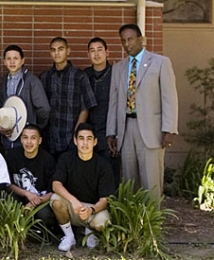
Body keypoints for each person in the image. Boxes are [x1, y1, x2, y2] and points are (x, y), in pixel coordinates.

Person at [106, 24, 178, 200]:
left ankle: (152, 226)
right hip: (126, 128)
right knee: (129, 180)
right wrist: (111, 132)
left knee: (151, 181)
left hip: (151, 129)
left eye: (130, 39)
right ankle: (134, 225)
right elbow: (114, 103)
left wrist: (169, 129)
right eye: (123, 41)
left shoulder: (160, 62)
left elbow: (169, 98)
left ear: (141, 40)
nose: (127, 44)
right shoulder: (118, 68)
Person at [51, 123, 116, 252]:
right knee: (56, 199)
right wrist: (73, 201)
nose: (85, 143)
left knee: (102, 222)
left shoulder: (103, 165)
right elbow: (56, 184)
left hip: (93, 209)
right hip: (73, 208)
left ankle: (90, 232)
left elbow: (105, 199)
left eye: (89, 139)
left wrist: (91, 210)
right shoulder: (66, 159)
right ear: (75, 141)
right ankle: (69, 236)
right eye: (81, 138)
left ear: (95, 142)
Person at [41, 37, 97, 160]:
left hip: (69, 137)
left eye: (60, 49)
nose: (57, 53)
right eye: (53, 50)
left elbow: (85, 108)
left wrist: (76, 134)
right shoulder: (45, 77)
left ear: (68, 51)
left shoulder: (79, 76)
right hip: (49, 139)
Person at [0, 45, 50, 149]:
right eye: (8, 59)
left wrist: (34, 126)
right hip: (8, 139)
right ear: (4, 62)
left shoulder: (32, 81)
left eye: (15, 58)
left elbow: (44, 109)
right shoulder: (3, 82)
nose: (12, 62)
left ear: (22, 61)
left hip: (26, 141)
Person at [5, 124, 57, 232]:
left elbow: (53, 191)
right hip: (20, 196)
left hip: (41, 200)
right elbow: (8, 184)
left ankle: (41, 233)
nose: (29, 142)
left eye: (33, 138)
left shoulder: (47, 159)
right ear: (21, 140)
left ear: (40, 141)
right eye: (25, 137)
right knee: (7, 202)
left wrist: (34, 203)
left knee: (45, 214)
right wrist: (26, 194)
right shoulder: (12, 155)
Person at [84, 37, 121, 181]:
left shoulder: (116, 74)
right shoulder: (84, 76)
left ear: (107, 52)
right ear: (88, 55)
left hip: (109, 132)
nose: (96, 54)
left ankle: (111, 203)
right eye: (92, 51)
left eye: (100, 50)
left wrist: (116, 133)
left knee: (110, 173)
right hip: (89, 132)